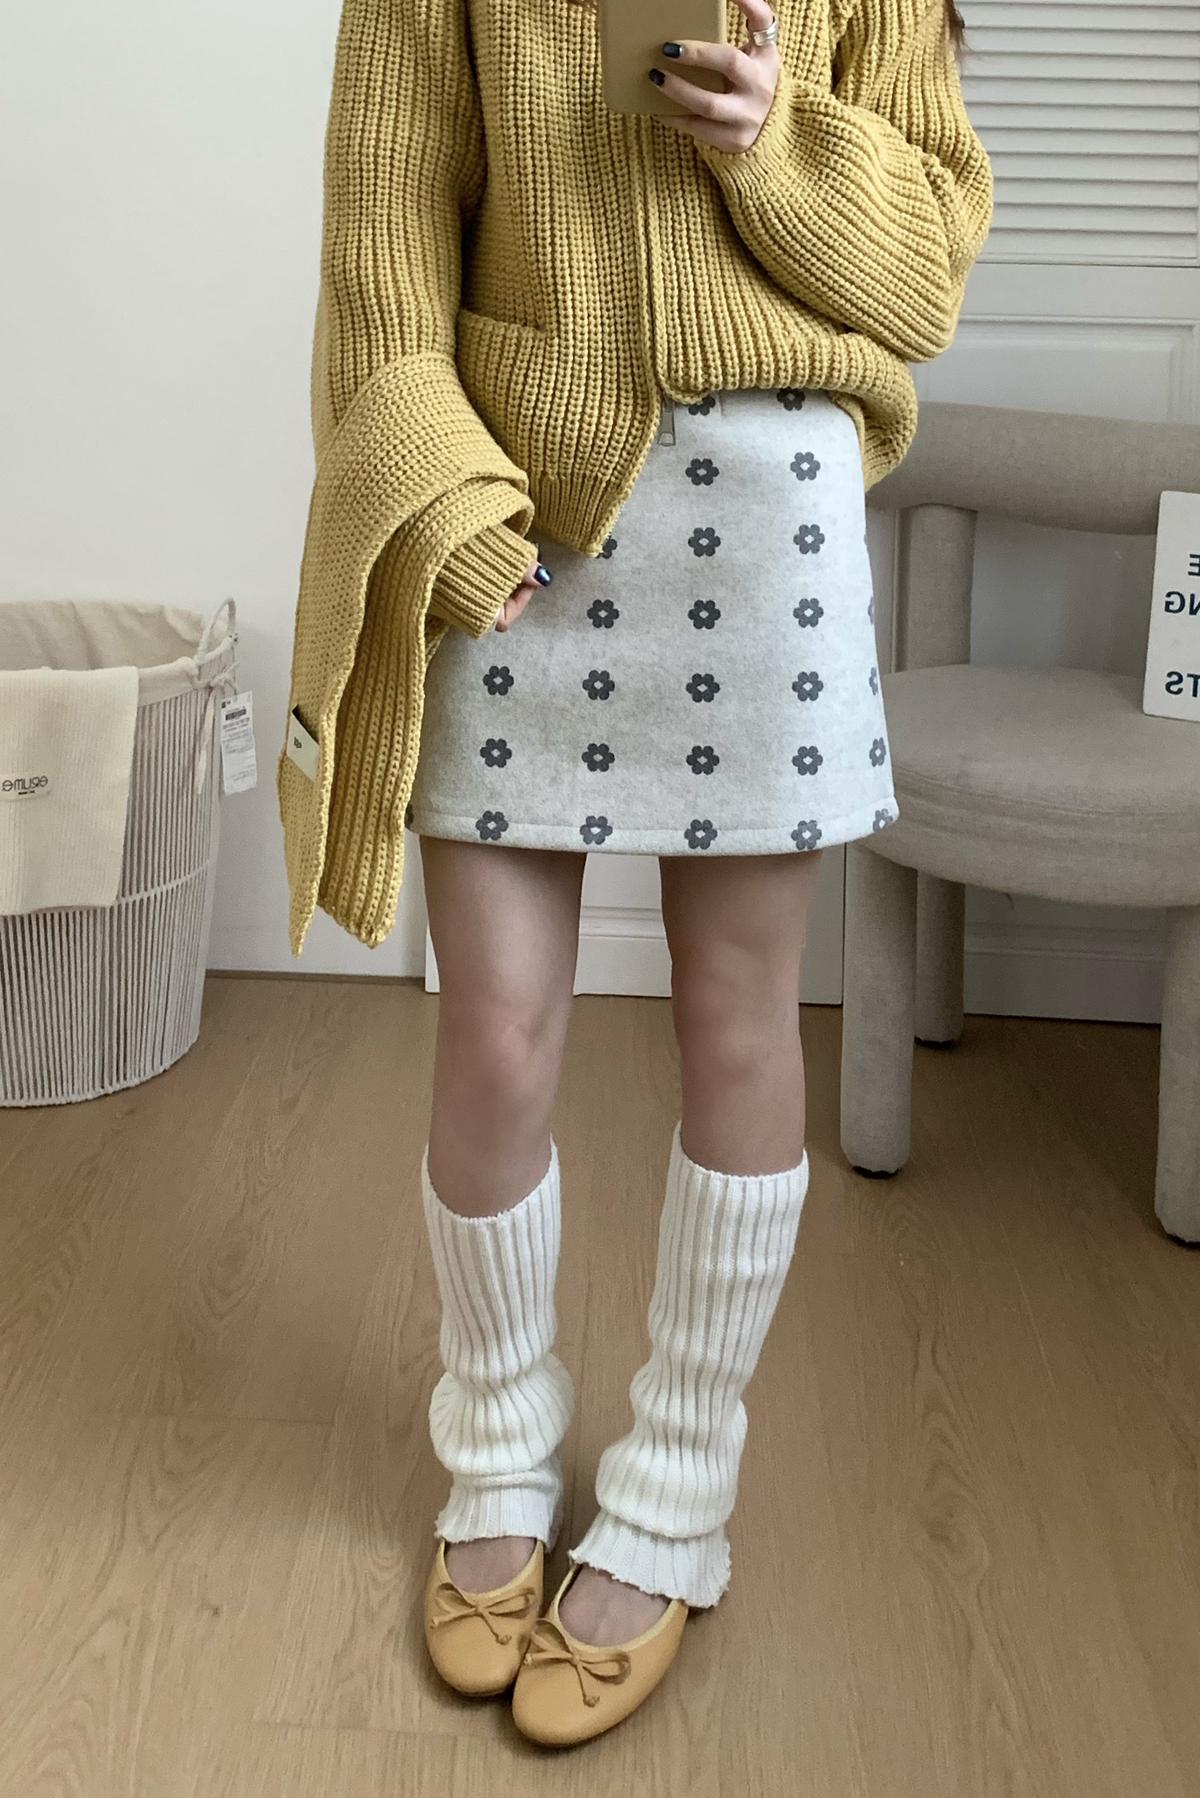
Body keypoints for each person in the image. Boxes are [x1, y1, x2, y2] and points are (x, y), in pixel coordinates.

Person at [279, 0, 992, 1748]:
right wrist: (443, 510)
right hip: (513, 503)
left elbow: (925, 279)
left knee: (737, 1013)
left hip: (772, 522)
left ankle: (676, 1486)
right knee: (492, 1026)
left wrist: (776, 139)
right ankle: (496, 1453)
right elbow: (381, 254)